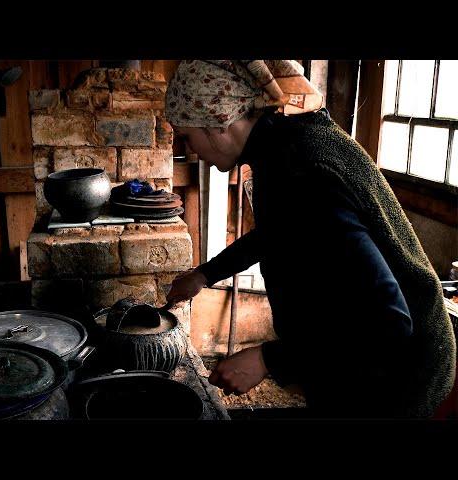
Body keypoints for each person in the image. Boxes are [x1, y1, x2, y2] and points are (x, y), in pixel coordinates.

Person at [164, 60, 456, 417]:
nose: (193, 151)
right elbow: (280, 232)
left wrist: (269, 359)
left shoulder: (304, 170)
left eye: (189, 137)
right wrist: (205, 274)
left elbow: (389, 322)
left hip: (397, 371)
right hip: (357, 349)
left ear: (218, 123)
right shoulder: (284, 144)